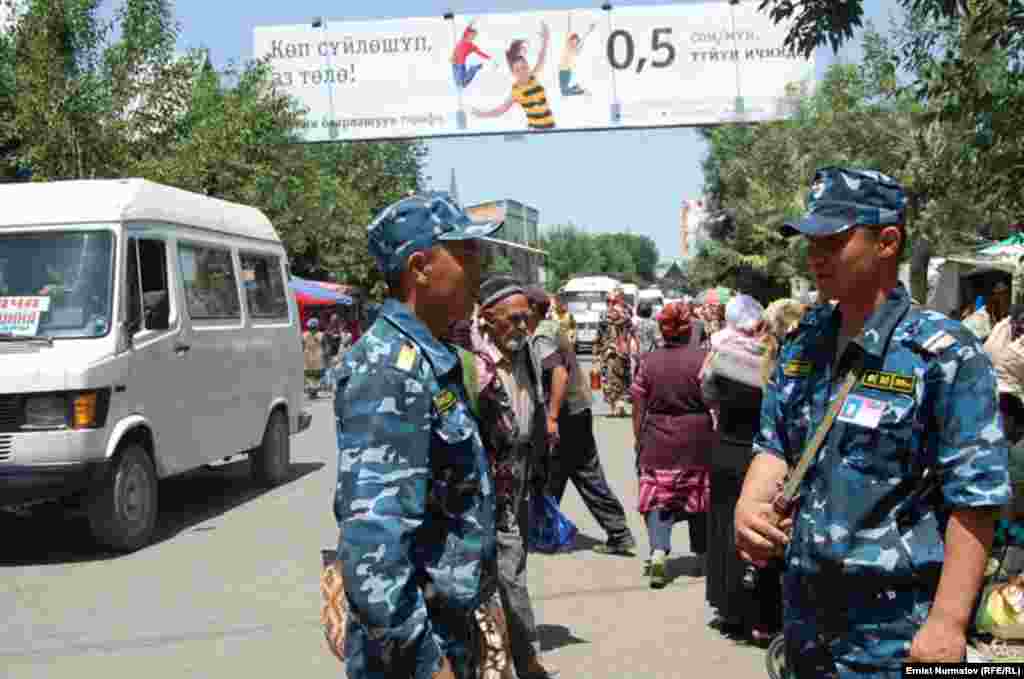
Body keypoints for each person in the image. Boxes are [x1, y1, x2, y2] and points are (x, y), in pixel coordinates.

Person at [735, 167, 1011, 676]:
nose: (815, 254)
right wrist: (750, 506)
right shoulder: (803, 342)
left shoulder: (944, 354)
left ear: (887, 242)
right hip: (805, 622)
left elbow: (975, 500)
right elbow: (775, 445)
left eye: (834, 240)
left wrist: (948, 623)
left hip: (899, 633)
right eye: (809, 240)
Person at [332, 192, 503, 679]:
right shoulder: (389, 368)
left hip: (446, 625)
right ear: (420, 267)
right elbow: (372, 543)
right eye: (465, 252)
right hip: (413, 651)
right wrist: (429, 664)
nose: (478, 265)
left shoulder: (427, 357)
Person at [474, 277, 559, 679]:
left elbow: (535, 404)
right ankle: (526, 663)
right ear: (488, 319)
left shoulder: (524, 351)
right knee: (507, 572)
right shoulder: (470, 362)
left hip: (523, 471)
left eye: (527, 319)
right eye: (514, 319)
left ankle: (510, 659)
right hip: (489, 483)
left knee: (512, 564)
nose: (524, 327)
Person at [525, 287, 637, 557]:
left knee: (561, 472)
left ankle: (550, 532)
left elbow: (559, 375)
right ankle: (613, 533)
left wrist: (551, 418)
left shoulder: (542, 335)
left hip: (565, 414)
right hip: (577, 410)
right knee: (568, 473)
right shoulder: (551, 327)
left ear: (531, 309)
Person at [701, 294, 783, 645]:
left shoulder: (720, 357)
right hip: (765, 458)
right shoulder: (776, 362)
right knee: (763, 531)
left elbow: (706, 393)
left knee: (723, 527)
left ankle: (730, 609)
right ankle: (763, 617)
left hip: (726, 451)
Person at [631, 301, 715, 588]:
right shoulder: (703, 359)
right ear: (689, 327)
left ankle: (657, 551)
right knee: (698, 500)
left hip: (657, 440)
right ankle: (704, 556)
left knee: (657, 499)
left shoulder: (648, 361)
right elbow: (713, 400)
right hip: (696, 439)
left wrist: (638, 439)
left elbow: (638, 403)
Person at [472, 23, 554, 131]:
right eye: (517, 70)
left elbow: (541, 59)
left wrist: (545, 41)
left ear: (528, 67)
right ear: (513, 73)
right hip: (536, 130)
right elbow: (500, 110)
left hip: (551, 126)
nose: (522, 72)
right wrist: (482, 114)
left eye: (524, 67)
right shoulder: (516, 91)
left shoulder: (532, 77)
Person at [596, 289, 632, 417]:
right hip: (608, 351)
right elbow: (599, 333)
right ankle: (614, 406)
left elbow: (630, 328)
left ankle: (619, 404)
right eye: (608, 301)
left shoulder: (626, 314)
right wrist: (596, 351)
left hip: (622, 351)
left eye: (614, 301)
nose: (610, 304)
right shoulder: (604, 315)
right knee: (608, 379)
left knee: (622, 378)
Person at [558, 22, 596, 97]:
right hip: (562, 71)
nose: (573, 43)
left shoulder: (575, 50)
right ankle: (577, 88)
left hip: (566, 71)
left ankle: (580, 90)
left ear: (576, 43)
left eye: (575, 42)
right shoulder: (567, 45)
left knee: (564, 92)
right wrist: (569, 17)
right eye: (572, 41)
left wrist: (589, 30)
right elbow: (568, 30)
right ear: (570, 40)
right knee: (564, 91)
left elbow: (582, 40)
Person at [451, 24, 492, 90]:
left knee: (461, 84)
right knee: (460, 84)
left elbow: (480, 53)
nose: (473, 37)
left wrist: (489, 58)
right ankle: (474, 68)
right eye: (472, 35)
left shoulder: (472, 46)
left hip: (460, 65)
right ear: (468, 34)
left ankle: (474, 69)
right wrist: (472, 22)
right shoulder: (463, 37)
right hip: (454, 62)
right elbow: (468, 27)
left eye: (474, 36)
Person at [630, 302, 661, 380]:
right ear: (650, 312)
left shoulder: (633, 323)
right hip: (649, 355)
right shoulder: (653, 324)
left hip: (635, 354)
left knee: (636, 376)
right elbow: (658, 341)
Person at [303, 318, 325, 394]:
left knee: (313, 374)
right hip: (310, 356)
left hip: (314, 356)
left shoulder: (320, 335)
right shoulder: (306, 335)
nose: (312, 329)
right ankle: (313, 389)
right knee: (311, 374)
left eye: (313, 327)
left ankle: (313, 389)